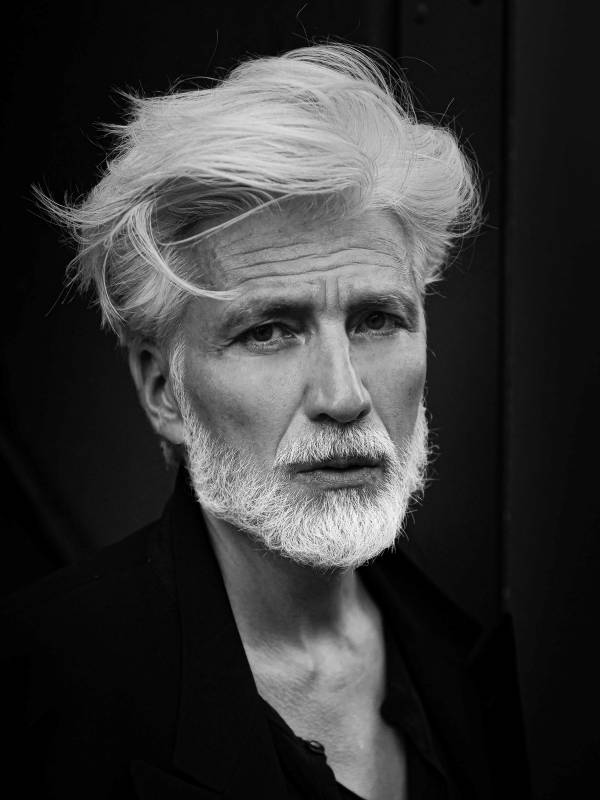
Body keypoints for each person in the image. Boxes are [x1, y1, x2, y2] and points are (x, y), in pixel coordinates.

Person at [1, 44, 529, 799]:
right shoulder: (40, 689)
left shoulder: (468, 661)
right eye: (269, 331)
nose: (343, 396)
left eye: (377, 319)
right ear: (164, 390)